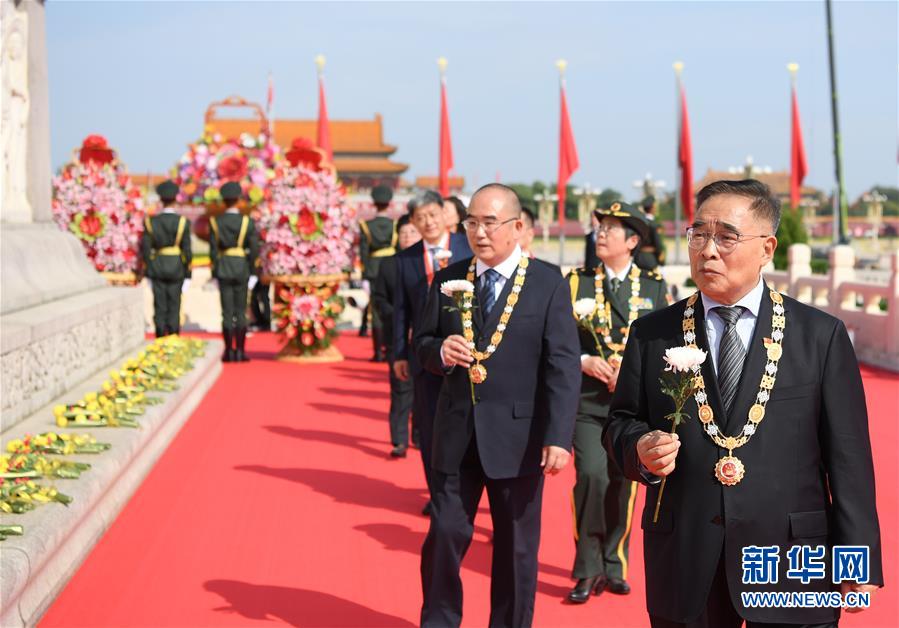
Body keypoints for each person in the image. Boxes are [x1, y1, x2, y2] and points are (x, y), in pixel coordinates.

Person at [604, 179, 883, 628]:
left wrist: (858, 562)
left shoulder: (819, 336)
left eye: (726, 237)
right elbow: (620, 422)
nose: (708, 250)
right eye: (699, 234)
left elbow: (848, 458)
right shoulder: (653, 333)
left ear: (767, 248)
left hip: (792, 558)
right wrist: (638, 446)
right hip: (686, 552)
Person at [415, 183, 580, 627]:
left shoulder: (547, 282)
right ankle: (439, 620)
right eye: (471, 222)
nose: (479, 232)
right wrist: (439, 352)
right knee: (445, 535)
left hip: (520, 438)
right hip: (456, 433)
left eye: (490, 222)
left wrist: (558, 437)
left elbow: (562, 366)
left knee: (515, 549)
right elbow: (421, 345)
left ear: (517, 226)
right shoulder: (451, 278)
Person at [564, 202, 669, 604]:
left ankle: (614, 563)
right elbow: (559, 338)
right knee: (591, 476)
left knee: (624, 484)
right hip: (589, 402)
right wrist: (583, 360)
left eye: (611, 229)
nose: (601, 235)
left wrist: (631, 366)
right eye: (599, 228)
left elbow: (664, 343)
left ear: (632, 241)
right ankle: (586, 567)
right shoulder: (575, 282)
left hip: (630, 406)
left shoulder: (655, 286)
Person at [394, 190, 471, 508]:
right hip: (426, 353)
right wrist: (398, 353)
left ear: (445, 214)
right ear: (413, 221)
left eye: (432, 215)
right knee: (429, 426)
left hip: (467, 353)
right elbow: (401, 311)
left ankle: (469, 491)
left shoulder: (469, 248)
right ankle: (438, 494)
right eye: (420, 218)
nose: (428, 222)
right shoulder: (405, 259)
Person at [373, 214, 421, 458]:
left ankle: (420, 434)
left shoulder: (428, 264)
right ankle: (399, 439)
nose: (408, 237)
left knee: (423, 389)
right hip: (397, 334)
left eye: (412, 233)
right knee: (400, 388)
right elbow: (379, 298)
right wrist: (397, 317)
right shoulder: (389, 264)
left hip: (424, 336)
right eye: (403, 234)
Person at [209, 182, 261, 363]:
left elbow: (213, 252)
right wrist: (253, 272)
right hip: (241, 268)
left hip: (224, 268)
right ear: (239, 200)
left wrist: (214, 273)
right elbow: (254, 249)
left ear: (223, 201)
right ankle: (240, 350)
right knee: (240, 312)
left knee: (226, 312)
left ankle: (228, 351)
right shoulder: (247, 222)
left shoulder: (216, 222)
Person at [141, 180, 192, 337]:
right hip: (176, 266)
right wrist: (188, 274)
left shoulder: (151, 222)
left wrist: (148, 271)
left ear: (160, 199)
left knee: (160, 306)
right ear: (175, 199)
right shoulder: (182, 222)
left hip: (158, 267)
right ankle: (174, 339)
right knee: (174, 305)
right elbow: (187, 251)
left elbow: (146, 250)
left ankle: (160, 340)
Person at [359, 185, 398, 361]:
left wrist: (365, 276)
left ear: (374, 203)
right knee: (394, 308)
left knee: (375, 312)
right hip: (393, 269)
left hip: (374, 271)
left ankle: (378, 352)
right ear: (389, 203)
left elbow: (363, 253)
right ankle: (391, 349)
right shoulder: (395, 225)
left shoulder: (366, 226)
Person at [634, 195, 667, 270]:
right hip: (650, 259)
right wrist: (661, 260)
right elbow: (658, 244)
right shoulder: (654, 224)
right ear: (653, 208)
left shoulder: (639, 223)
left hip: (638, 258)